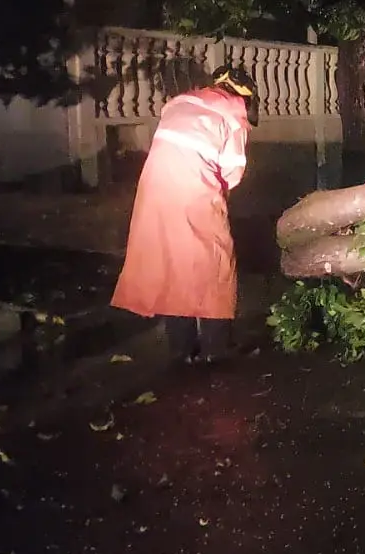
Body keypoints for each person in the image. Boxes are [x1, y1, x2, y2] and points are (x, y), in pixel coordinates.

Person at [111, 66, 259, 365]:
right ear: (244, 97)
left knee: (173, 262)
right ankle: (216, 350)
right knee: (215, 262)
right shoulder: (232, 118)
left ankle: (181, 349)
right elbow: (232, 174)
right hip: (194, 194)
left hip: (154, 193)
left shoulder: (181, 104)